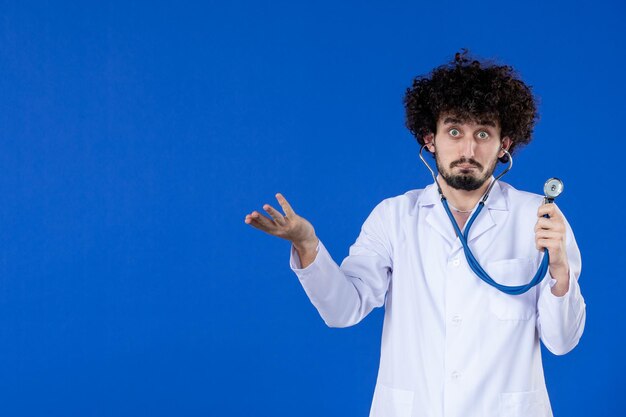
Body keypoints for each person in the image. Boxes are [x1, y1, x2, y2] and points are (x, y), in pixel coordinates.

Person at [244, 50, 586, 417]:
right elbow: (343, 310)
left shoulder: (539, 218)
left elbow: (562, 341)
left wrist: (561, 272)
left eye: (483, 133)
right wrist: (306, 243)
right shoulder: (394, 217)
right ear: (430, 139)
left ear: (504, 144)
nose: (468, 149)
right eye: (454, 131)